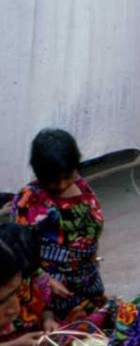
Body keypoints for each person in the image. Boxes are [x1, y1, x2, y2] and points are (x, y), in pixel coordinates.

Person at [10, 129, 105, 319]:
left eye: (67, 176)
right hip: (50, 299)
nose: (62, 185)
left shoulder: (83, 188)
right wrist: (45, 281)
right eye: (53, 180)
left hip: (88, 287)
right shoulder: (30, 199)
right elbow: (18, 250)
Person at [0, 223, 58, 346]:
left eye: (17, 291)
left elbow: (44, 306)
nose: (15, 308)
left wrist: (48, 319)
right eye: (1, 302)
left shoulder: (29, 283)